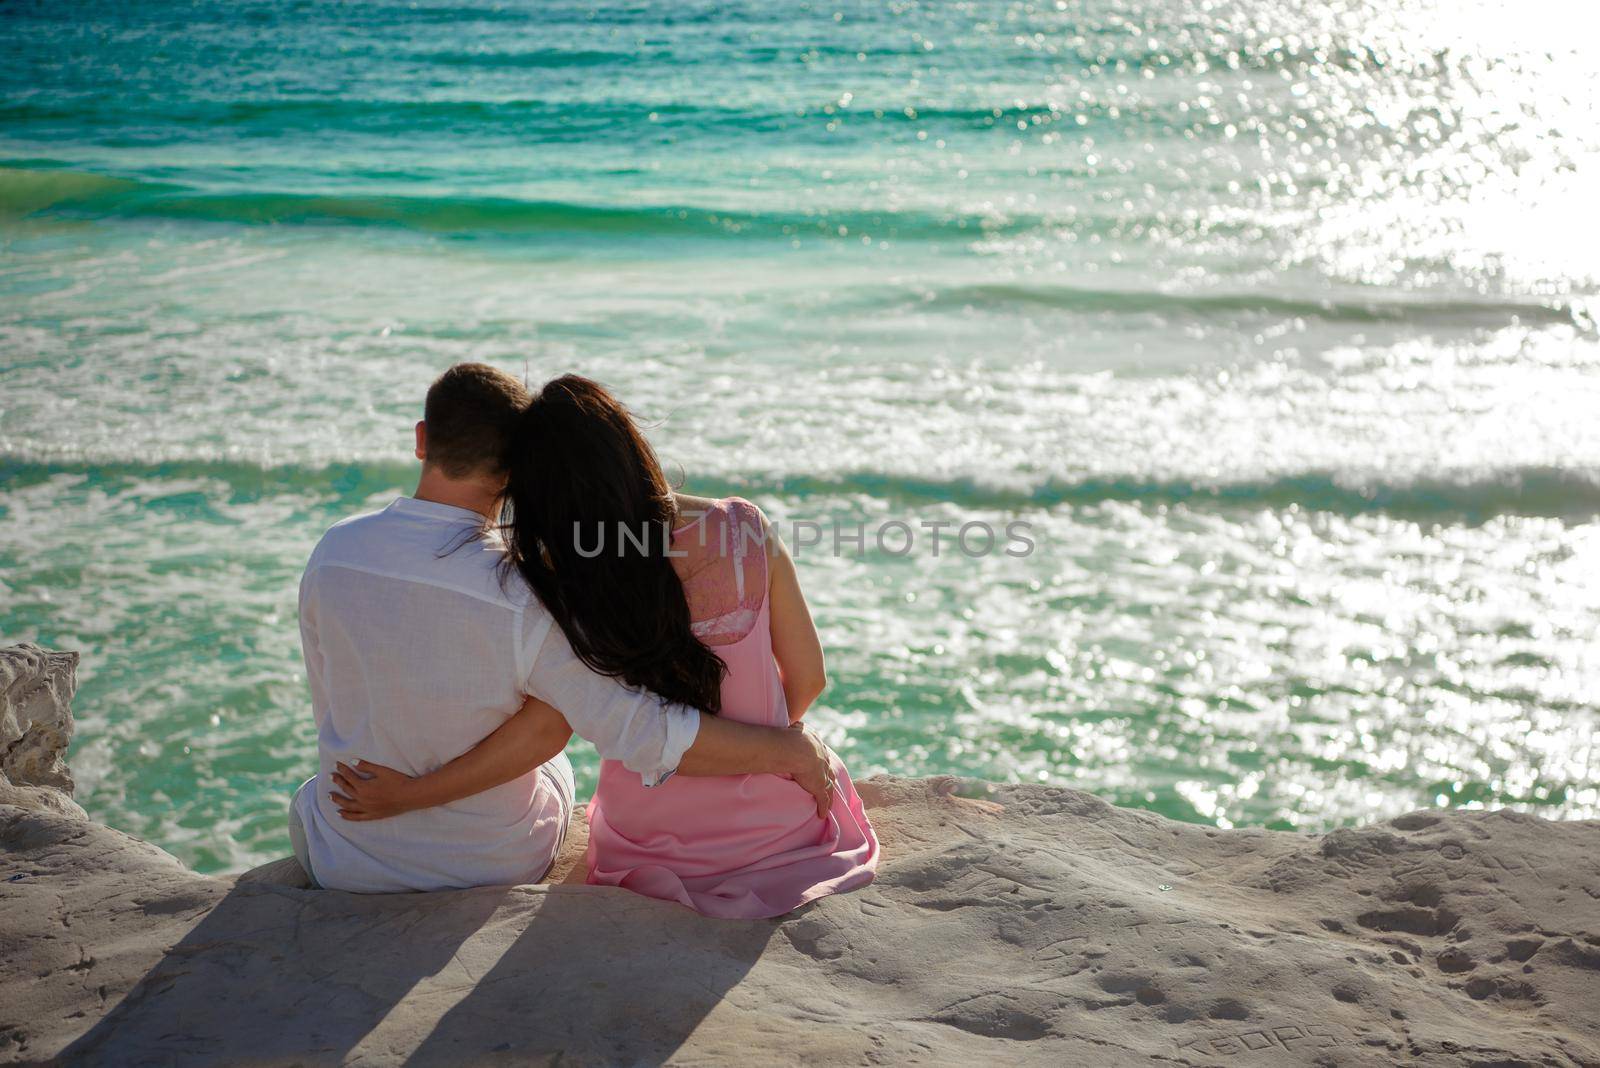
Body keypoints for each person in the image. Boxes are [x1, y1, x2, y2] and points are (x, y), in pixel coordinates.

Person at [333, 374, 878, 917]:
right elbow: (808, 680)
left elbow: (554, 724)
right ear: (629, 444)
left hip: (643, 845)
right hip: (774, 830)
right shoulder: (745, 530)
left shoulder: (558, 573)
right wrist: (772, 748)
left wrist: (411, 793)